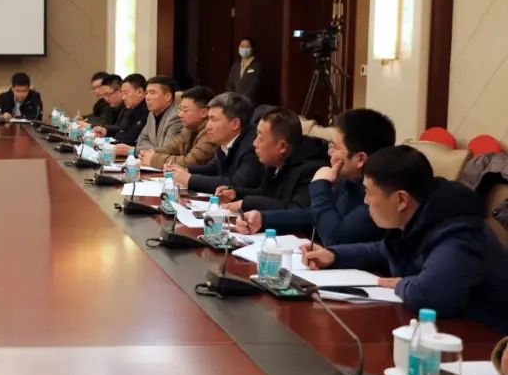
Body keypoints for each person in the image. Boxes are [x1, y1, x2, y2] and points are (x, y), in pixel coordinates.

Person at [303, 146, 508, 332]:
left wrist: (403, 284)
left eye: (368, 192)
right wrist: (334, 256)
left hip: (483, 340)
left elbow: (430, 295)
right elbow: (382, 251)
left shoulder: (459, 231)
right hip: (439, 330)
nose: (365, 201)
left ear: (401, 199)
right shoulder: (420, 215)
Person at [234, 108, 395, 244]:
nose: (329, 152)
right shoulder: (347, 181)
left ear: (359, 159)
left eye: (334, 147)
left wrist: (320, 185)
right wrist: (262, 219)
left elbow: (334, 237)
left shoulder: (380, 194)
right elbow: (314, 215)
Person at [215, 107, 325, 212]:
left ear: (282, 146)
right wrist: (236, 193)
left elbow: (296, 211)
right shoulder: (275, 163)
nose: (254, 143)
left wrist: (246, 203)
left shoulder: (311, 171)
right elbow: (265, 194)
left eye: (261, 138)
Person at [166, 92, 262, 194]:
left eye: (214, 120)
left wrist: (190, 180)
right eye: (208, 119)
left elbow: (237, 184)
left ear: (235, 124)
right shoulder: (225, 141)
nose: (208, 126)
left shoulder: (253, 146)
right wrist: (185, 170)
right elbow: (212, 169)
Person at [141, 85, 216, 169]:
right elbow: (171, 148)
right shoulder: (188, 129)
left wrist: (154, 159)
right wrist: (148, 153)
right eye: (180, 109)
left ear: (204, 113)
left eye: (185, 110)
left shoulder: (211, 133)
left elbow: (190, 162)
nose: (180, 114)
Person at [95, 74, 149, 149]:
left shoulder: (148, 111)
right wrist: (106, 131)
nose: (123, 98)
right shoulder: (129, 109)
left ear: (140, 92)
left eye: (126, 93)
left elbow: (130, 138)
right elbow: (121, 131)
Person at [133, 75, 182, 155]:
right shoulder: (151, 114)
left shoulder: (176, 117)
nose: (147, 97)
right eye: (146, 93)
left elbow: (166, 151)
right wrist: (156, 148)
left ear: (168, 96)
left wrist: (137, 150)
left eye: (152, 93)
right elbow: (140, 142)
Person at [226, 37, 263, 104]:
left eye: (247, 46)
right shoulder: (235, 65)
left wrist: (242, 99)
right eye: (242, 46)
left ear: (252, 48)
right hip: (233, 102)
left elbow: (255, 86)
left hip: (249, 102)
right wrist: (232, 98)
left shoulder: (257, 66)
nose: (244, 49)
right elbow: (230, 84)